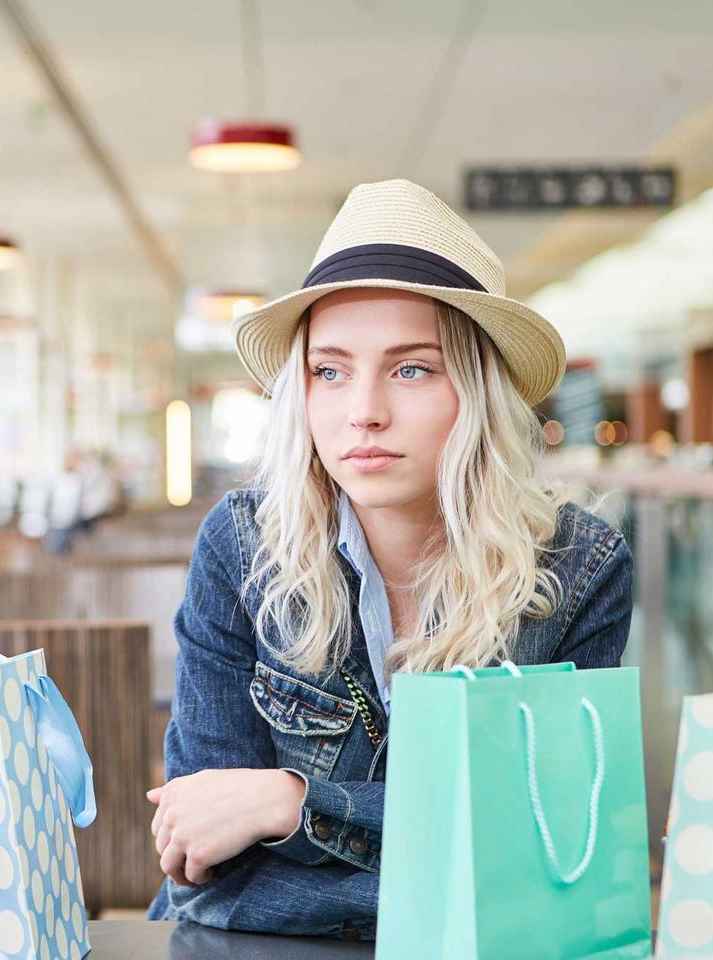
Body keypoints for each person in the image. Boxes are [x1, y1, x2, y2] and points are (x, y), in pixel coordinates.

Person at [145, 180, 633, 938]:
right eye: (329, 371)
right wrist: (453, 874)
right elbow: (204, 880)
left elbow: (558, 857)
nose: (363, 409)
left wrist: (289, 804)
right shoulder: (243, 548)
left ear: (477, 391)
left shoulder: (577, 568)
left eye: (411, 368)